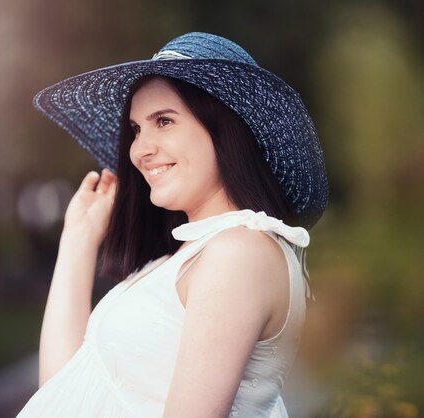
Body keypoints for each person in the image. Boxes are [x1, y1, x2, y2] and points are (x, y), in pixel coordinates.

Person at [17, 32, 328, 418]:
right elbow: (66, 392)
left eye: (163, 121)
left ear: (225, 128)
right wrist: (78, 240)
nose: (139, 150)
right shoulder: (188, 255)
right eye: (136, 129)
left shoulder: (239, 252)